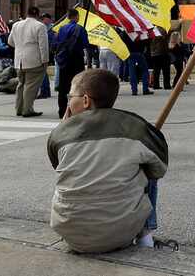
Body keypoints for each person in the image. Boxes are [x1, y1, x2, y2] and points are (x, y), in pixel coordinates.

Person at [48, 69, 167, 253]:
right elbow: (160, 168)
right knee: (148, 167)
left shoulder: (60, 133)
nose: (69, 101)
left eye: (70, 96)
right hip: (122, 232)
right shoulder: (135, 127)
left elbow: (56, 163)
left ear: (86, 100)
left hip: (71, 233)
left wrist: (64, 126)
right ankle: (145, 237)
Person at [7, 7, 49, 117]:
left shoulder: (16, 25)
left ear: (27, 13)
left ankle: (19, 108)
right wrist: (45, 60)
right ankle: (27, 109)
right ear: (38, 15)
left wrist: (21, 47)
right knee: (31, 86)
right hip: (34, 60)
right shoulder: (40, 26)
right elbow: (43, 46)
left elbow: (10, 42)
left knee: (21, 84)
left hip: (19, 60)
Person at [55, 9, 89, 119]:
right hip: (76, 59)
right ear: (76, 17)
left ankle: (62, 110)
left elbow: (57, 43)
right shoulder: (80, 29)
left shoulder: (62, 29)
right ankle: (75, 110)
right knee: (77, 85)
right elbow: (85, 44)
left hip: (64, 59)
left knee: (63, 85)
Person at [121, 31, 152, 96]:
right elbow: (146, 40)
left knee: (132, 72)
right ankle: (145, 89)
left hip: (130, 52)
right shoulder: (140, 30)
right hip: (139, 52)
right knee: (144, 70)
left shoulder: (125, 32)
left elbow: (123, 42)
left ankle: (134, 90)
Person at [38, 13, 57, 100]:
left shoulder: (52, 29)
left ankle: (44, 91)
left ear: (48, 19)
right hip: (44, 51)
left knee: (42, 72)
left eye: (44, 18)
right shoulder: (44, 27)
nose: (42, 20)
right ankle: (46, 91)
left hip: (47, 52)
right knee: (42, 72)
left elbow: (53, 41)